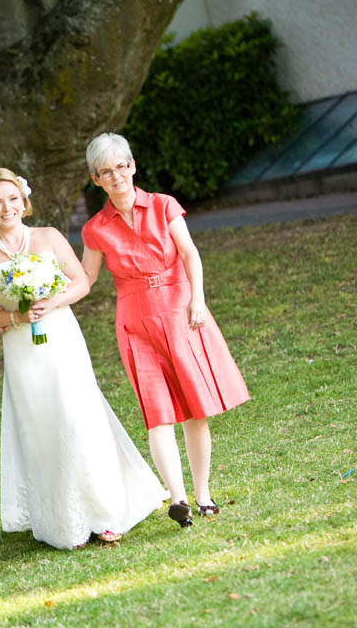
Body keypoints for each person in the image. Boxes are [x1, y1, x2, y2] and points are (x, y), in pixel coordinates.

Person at [0, 168, 168, 549]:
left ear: (23, 203)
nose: (6, 207)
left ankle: (106, 513)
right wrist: (14, 317)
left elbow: (81, 281)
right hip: (22, 351)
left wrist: (50, 302)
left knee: (78, 418)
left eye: (12, 199)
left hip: (61, 339)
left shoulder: (48, 237)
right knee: (41, 426)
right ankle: (63, 521)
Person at [80, 133, 250, 527]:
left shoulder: (163, 205)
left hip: (180, 312)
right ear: (96, 179)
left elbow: (189, 253)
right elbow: (86, 279)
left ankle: (203, 494)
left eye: (122, 166)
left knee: (194, 410)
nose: (117, 175)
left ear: (133, 166)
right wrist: (41, 300)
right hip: (135, 323)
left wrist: (198, 299)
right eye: (107, 171)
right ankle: (179, 500)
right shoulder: (95, 229)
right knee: (158, 415)